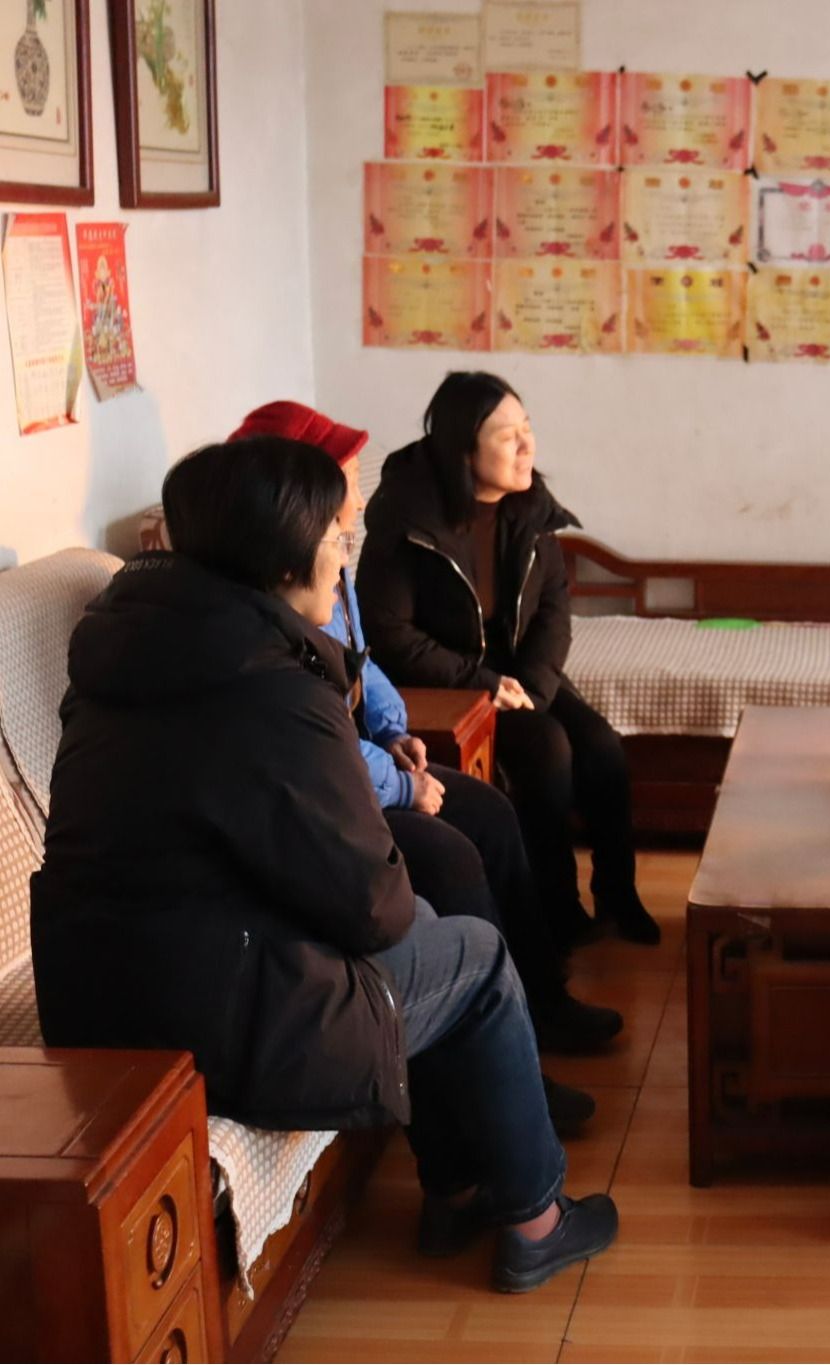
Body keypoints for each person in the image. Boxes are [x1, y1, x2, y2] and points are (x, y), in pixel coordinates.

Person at [30, 438, 620, 1293]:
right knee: (473, 954)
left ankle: (456, 1188)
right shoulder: (272, 687)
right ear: (285, 562)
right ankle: (538, 1219)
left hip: (96, 990)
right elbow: (370, 904)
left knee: (431, 925)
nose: (345, 558)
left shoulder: (130, 655)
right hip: (215, 1013)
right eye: (336, 539)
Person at [227, 401, 622, 1079]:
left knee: (493, 812)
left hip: (362, 764)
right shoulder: (276, 598)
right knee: (453, 854)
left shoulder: (330, 562)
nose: (356, 494)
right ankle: (495, 1057)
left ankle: (540, 1001)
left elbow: (365, 662)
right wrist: (405, 784)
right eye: (344, 476)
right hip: (329, 798)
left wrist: (395, 729)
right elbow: (314, 740)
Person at [357, 372, 659, 946]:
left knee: (601, 745)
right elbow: (390, 633)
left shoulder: (531, 507)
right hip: (447, 683)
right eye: (507, 436)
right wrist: (485, 682)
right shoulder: (407, 513)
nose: (527, 446)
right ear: (463, 448)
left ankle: (618, 894)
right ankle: (555, 908)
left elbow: (554, 609)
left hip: (521, 677)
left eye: (528, 429)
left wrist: (534, 692)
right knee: (547, 749)